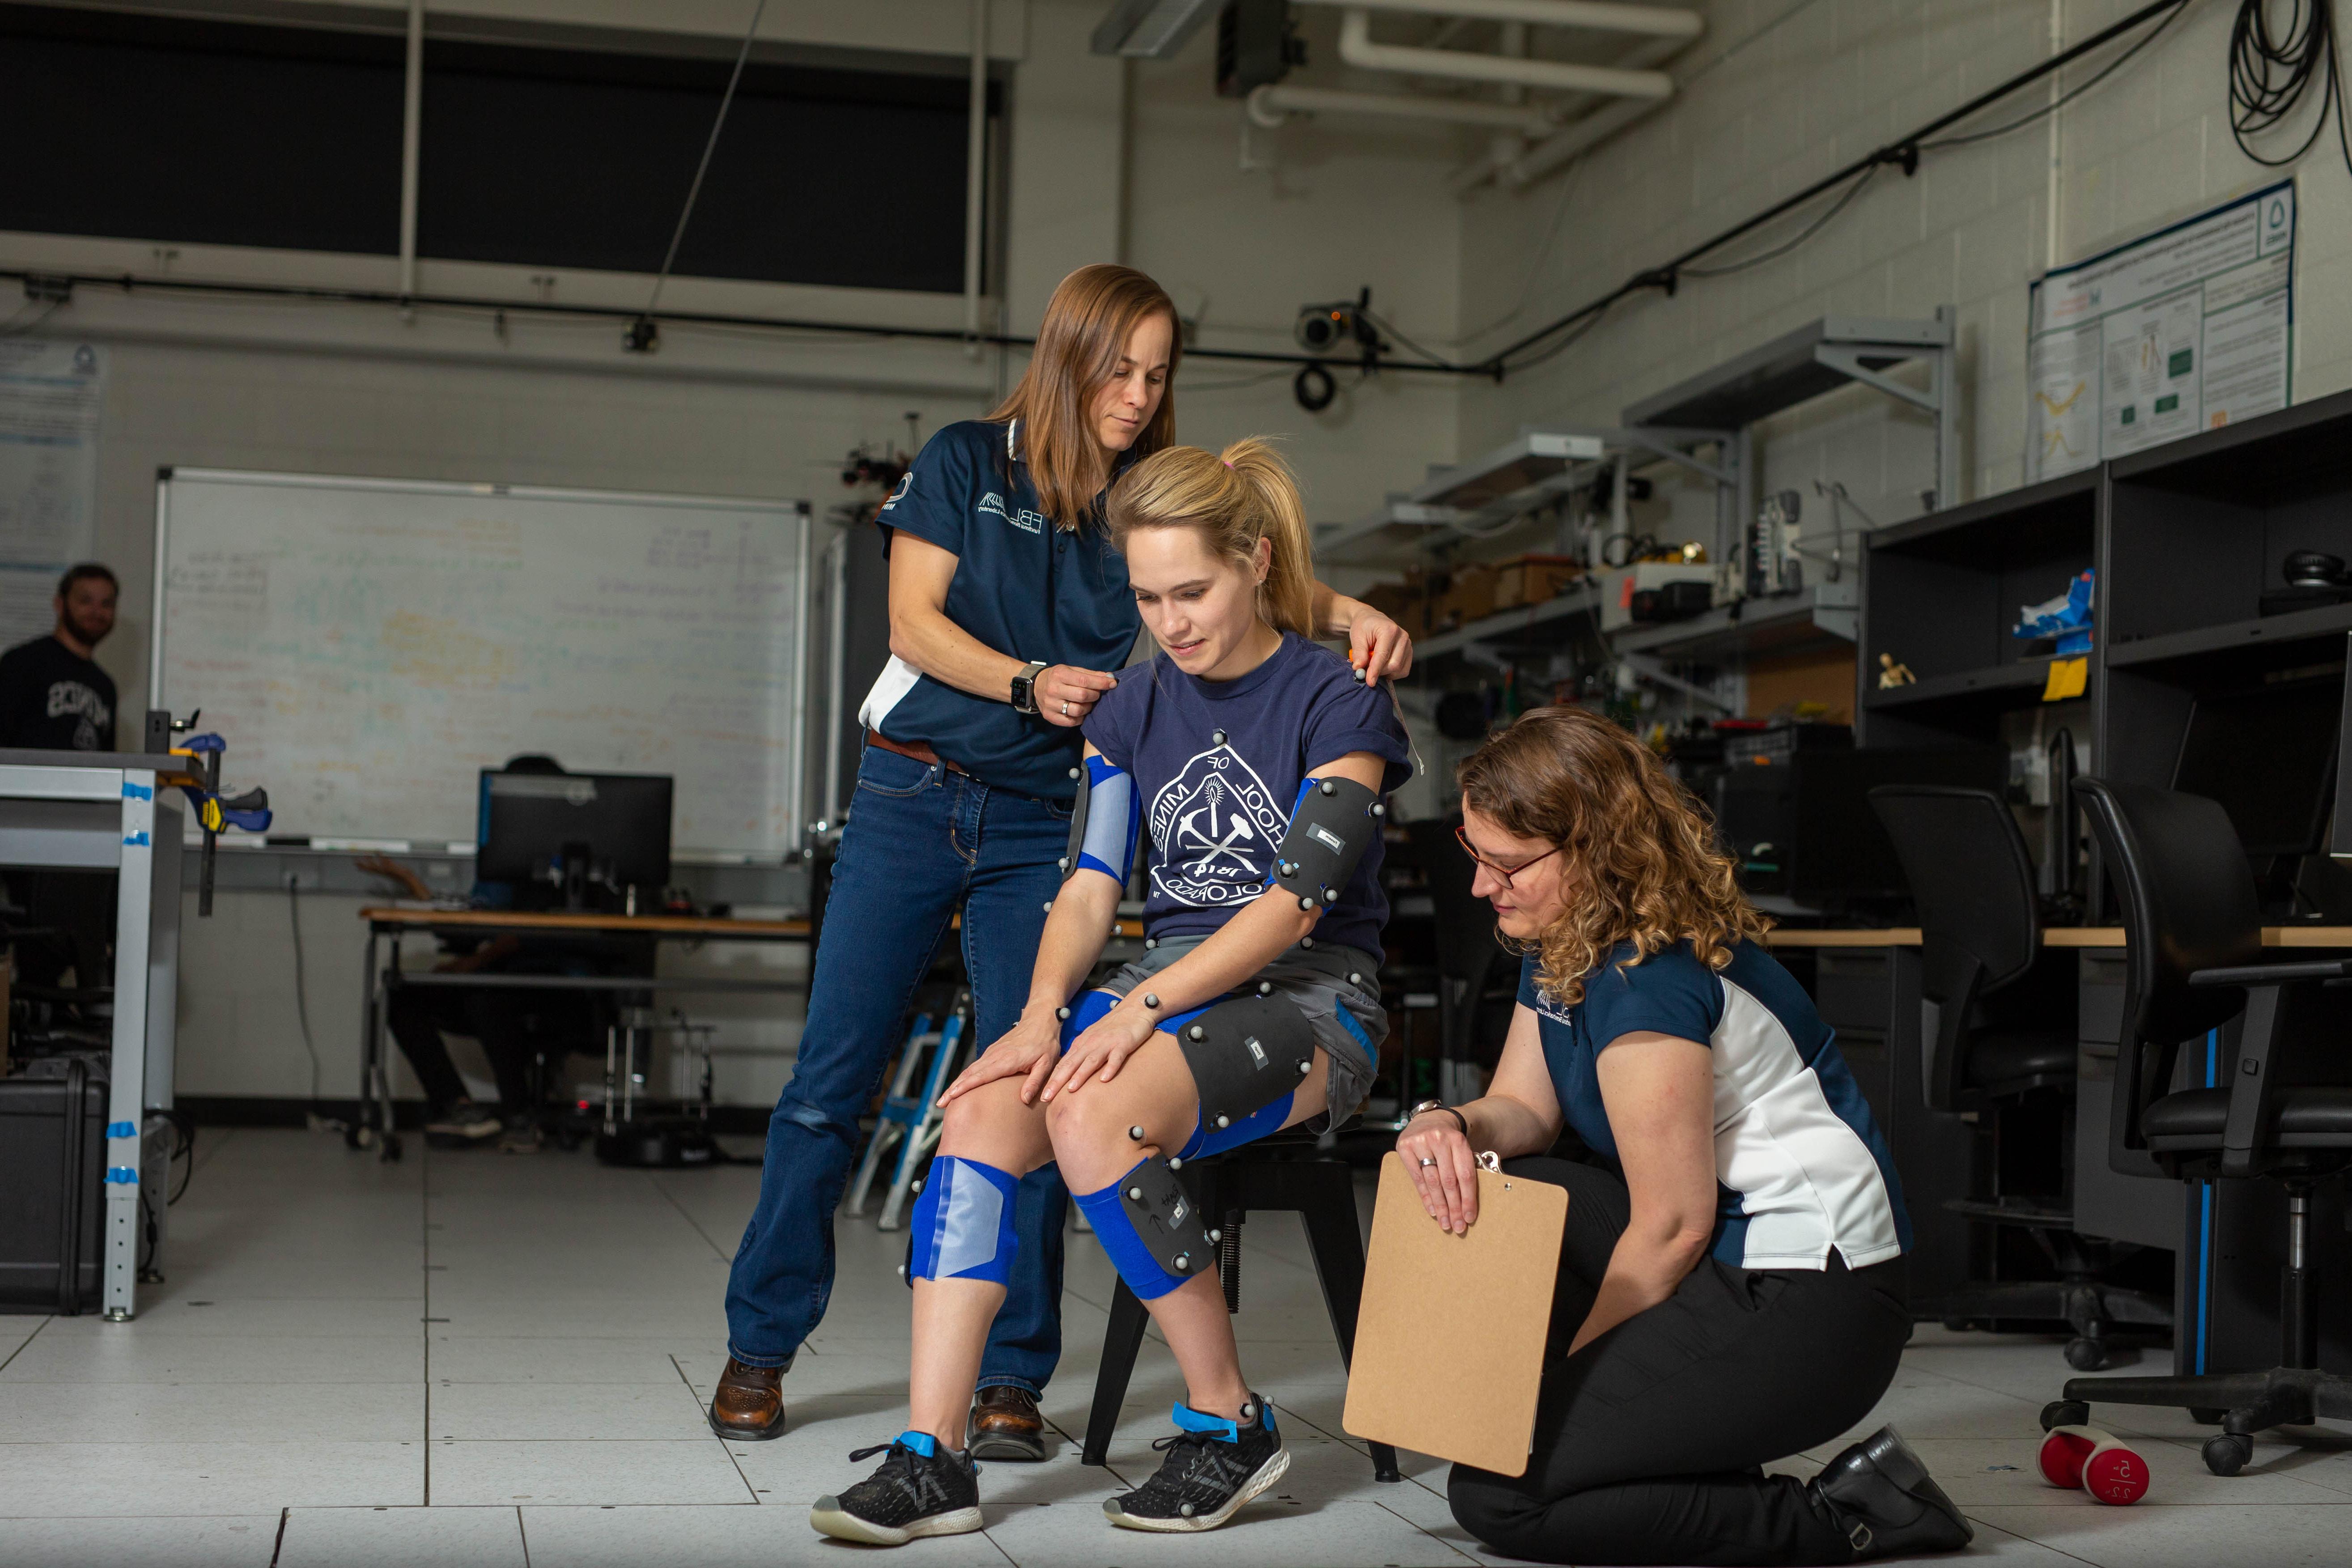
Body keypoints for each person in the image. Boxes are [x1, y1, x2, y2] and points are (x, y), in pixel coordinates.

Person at [714, 264, 1414, 1458]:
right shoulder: (962, 463)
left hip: (1046, 817)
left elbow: (1227, 562)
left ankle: (1010, 1384)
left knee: (1033, 1077)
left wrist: (1347, 608)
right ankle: (764, 1347)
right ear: (1065, 354)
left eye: (1157, 374)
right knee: (831, 1085)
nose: (1138, 395)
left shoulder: (1146, 505)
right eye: (1117, 369)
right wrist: (1029, 682)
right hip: (914, 793)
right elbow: (913, 626)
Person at [806, 438, 1410, 1545]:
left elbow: (1294, 906)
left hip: (1315, 1003)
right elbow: (1089, 886)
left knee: (1096, 1111)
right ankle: (934, 1454)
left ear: (1257, 562)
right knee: (980, 1112)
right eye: (1148, 597)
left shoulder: (1339, 697)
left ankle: (1230, 1420)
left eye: (1194, 591)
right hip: (1165, 992)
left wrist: (1131, 1011)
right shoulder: (1130, 707)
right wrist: (1039, 1013)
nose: (1171, 621)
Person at [1397, 705, 1972, 1566]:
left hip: (1812, 1297)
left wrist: (1566, 1380)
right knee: (1522, 1182)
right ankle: (1649, 1435)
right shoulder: (1563, 940)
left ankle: (1851, 1513)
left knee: (1498, 1498)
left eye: (1506, 864)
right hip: (1733, 1258)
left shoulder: (1645, 983)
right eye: (1473, 854)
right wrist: (1447, 1123)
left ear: (1591, 850)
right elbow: (1523, 1110)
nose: (1483, 886)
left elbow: (1671, 1226)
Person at [360, 755, 632, 1150]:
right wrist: (413, 886)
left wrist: (474, 962)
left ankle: (520, 1118)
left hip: (567, 988)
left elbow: (551, 933)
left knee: (488, 994)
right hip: (500, 975)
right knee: (404, 997)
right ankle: (457, 1106)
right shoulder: (505, 856)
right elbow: (472, 920)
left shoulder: (590, 860)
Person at [0, 563, 122, 993]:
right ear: (60, 604)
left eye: (106, 603)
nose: (96, 611)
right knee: (35, 960)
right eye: (85, 600)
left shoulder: (105, 687)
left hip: (83, 844)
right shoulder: (23, 665)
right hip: (26, 839)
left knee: (81, 956)